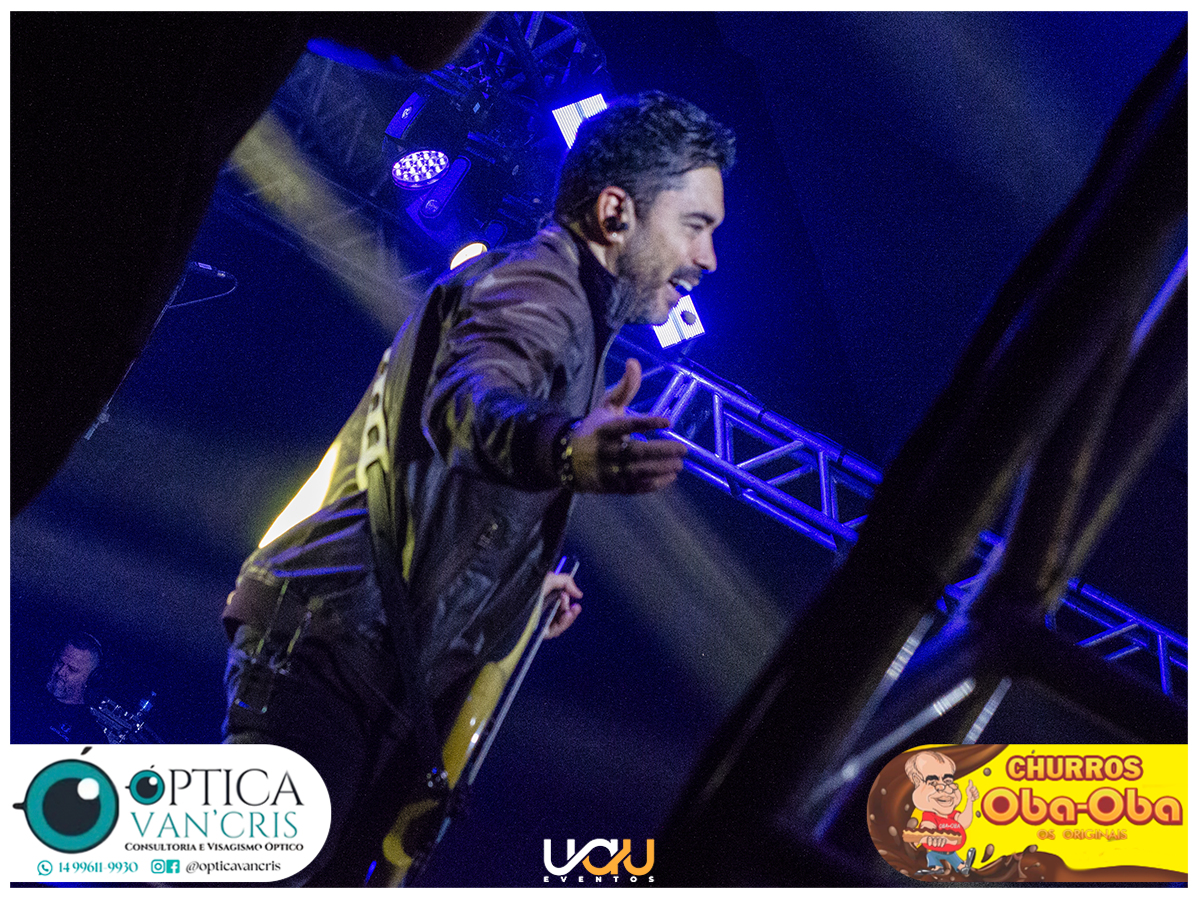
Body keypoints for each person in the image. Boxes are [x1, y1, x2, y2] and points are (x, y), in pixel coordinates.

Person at [220, 90, 735, 885]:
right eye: (695, 226)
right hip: (329, 657)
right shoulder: (542, 289)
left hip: (359, 668)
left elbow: (454, 487)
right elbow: (467, 406)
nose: (708, 258)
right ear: (615, 213)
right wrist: (561, 448)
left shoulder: (571, 313)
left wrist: (518, 588)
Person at [12, 633, 108, 744]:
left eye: (72, 669)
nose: (61, 672)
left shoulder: (91, 736)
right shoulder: (22, 694)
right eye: (60, 662)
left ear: (91, 679)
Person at [903, 749, 979, 876]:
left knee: (954, 859)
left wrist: (970, 800)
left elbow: (964, 822)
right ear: (917, 782)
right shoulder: (929, 815)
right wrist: (930, 837)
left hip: (952, 851)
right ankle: (938, 868)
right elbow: (927, 828)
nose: (946, 790)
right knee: (932, 855)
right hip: (938, 850)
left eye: (948, 781)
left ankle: (963, 867)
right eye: (933, 782)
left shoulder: (952, 814)